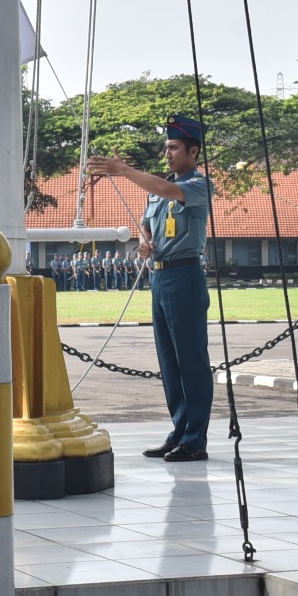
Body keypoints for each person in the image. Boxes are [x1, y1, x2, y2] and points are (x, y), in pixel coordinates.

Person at [89, 114, 214, 463]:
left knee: (191, 360)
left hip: (185, 276)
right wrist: (145, 242)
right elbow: (146, 226)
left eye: (174, 147)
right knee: (169, 361)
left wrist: (125, 171)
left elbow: (167, 190)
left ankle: (195, 439)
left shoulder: (199, 185)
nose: (168, 153)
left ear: (193, 151)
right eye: (167, 147)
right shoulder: (158, 190)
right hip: (159, 277)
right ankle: (179, 431)